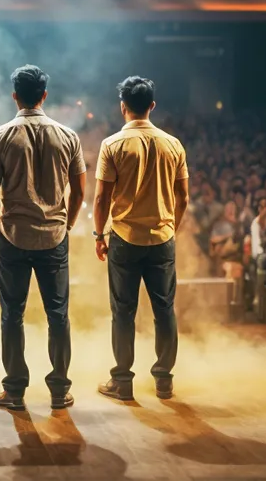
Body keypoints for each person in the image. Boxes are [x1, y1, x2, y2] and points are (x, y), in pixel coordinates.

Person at [0, 65, 86, 411]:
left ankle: (14, 390)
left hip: (12, 236)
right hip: (54, 237)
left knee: (12, 314)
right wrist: (68, 224)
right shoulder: (68, 136)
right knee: (58, 314)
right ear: (44, 95)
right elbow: (80, 190)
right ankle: (59, 389)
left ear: (14, 96)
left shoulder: (1, 136)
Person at [92, 76, 189, 402]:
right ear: (151, 106)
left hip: (124, 237)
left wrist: (98, 234)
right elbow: (183, 197)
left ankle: (122, 381)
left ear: (123, 107)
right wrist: (173, 228)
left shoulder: (112, 145)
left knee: (123, 312)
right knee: (165, 310)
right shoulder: (173, 144)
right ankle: (164, 381)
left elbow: (101, 198)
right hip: (162, 237)